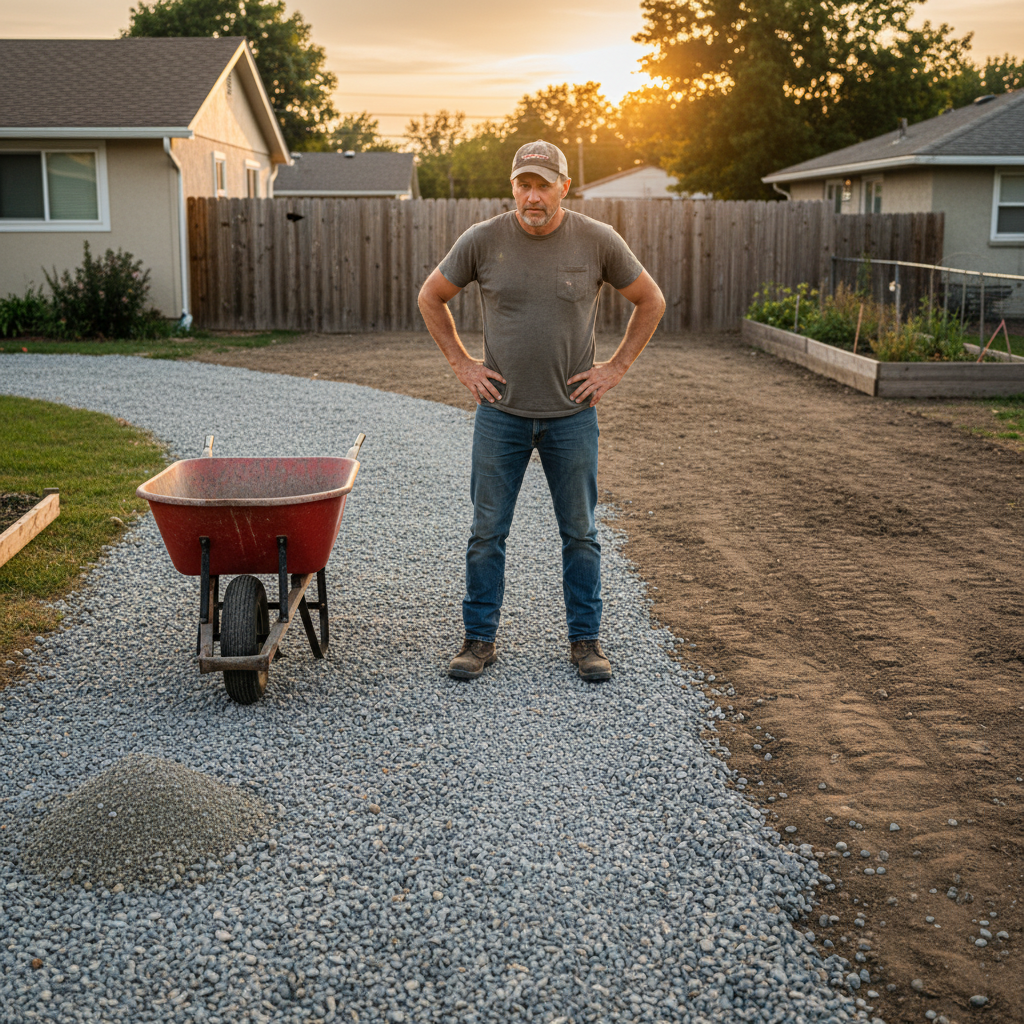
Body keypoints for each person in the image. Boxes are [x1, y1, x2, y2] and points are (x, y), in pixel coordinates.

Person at [417, 140, 665, 682]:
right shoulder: (482, 241)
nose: (533, 196)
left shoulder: (597, 240)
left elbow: (652, 300)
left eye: (543, 185)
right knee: (487, 532)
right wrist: (463, 365)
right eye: (523, 185)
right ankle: (478, 640)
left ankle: (586, 642)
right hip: (500, 414)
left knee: (580, 533)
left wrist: (614, 369)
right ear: (513, 188)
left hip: (571, 415)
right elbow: (430, 296)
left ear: (563, 187)